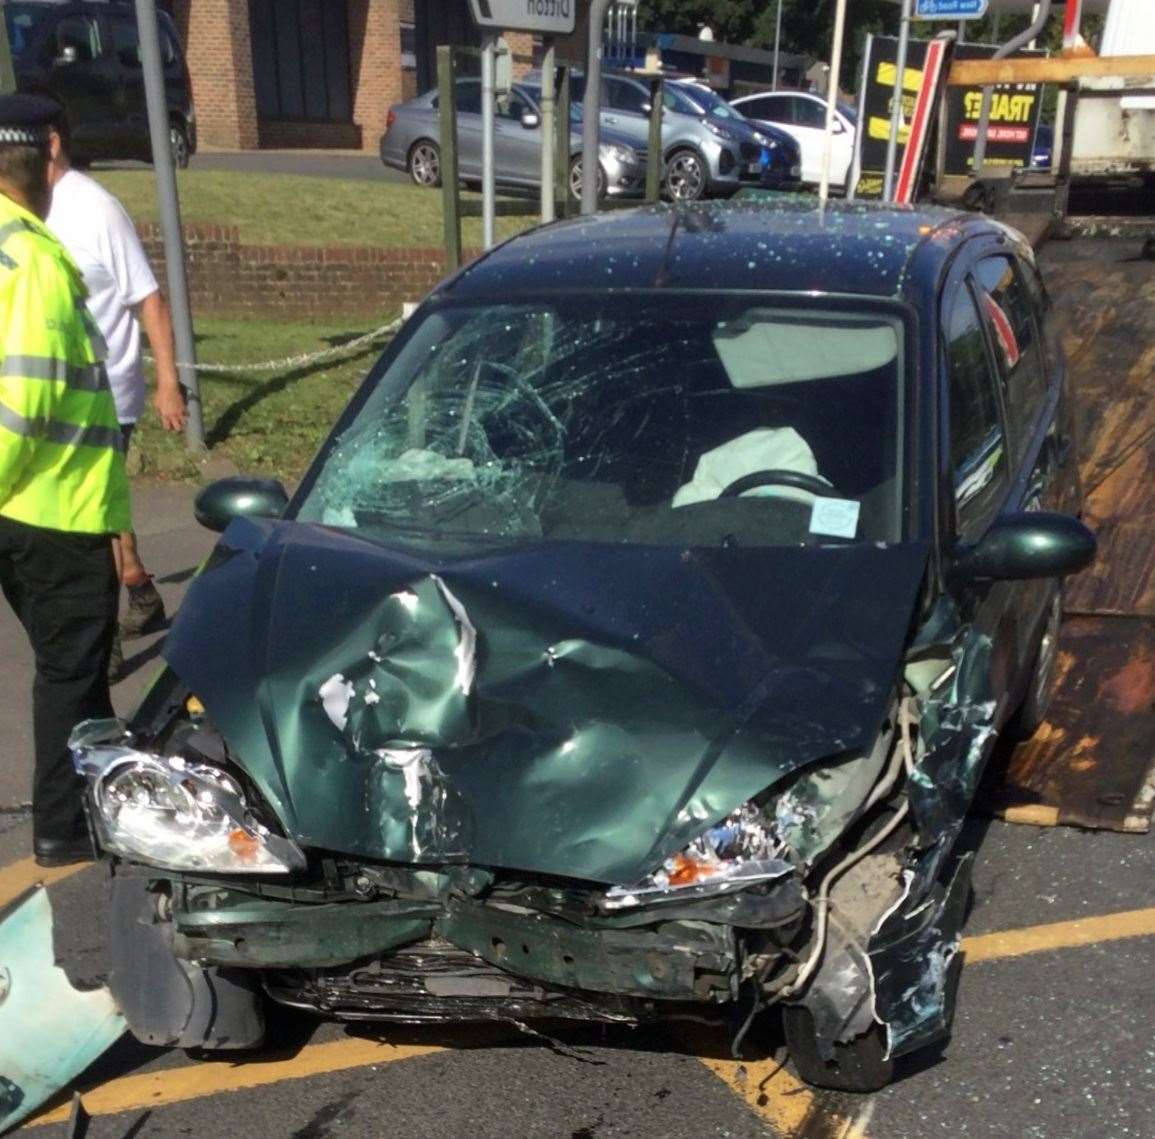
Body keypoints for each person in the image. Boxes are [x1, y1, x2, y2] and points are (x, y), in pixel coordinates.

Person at [0, 93, 131, 867]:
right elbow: (25, 398)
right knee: (71, 672)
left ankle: (105, 790)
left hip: (34, 503)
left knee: (78, 676)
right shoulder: (36, 261)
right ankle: (63, 825)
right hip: (54, 507)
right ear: (51, 152)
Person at [45, 109, 186, 679]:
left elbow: (148, 298)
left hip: (105, 393)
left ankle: (101, 646)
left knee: (82, 518)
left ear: (50, 144)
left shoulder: (95, 208)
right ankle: (140, 590)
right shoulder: (20, 208)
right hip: (50, 393)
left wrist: (168, 382)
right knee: (97, 511)